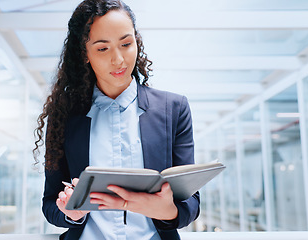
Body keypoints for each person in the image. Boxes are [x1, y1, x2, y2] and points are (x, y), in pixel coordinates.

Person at [33, 0, 200, 239]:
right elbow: (50, 204)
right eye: (103, 48)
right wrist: (72, 212)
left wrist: (169, 211)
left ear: (137, 42)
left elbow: (191, 202)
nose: (119, 60)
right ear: (84, 54)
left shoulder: (174, 109)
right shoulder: (64, 116)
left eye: (126, 43)